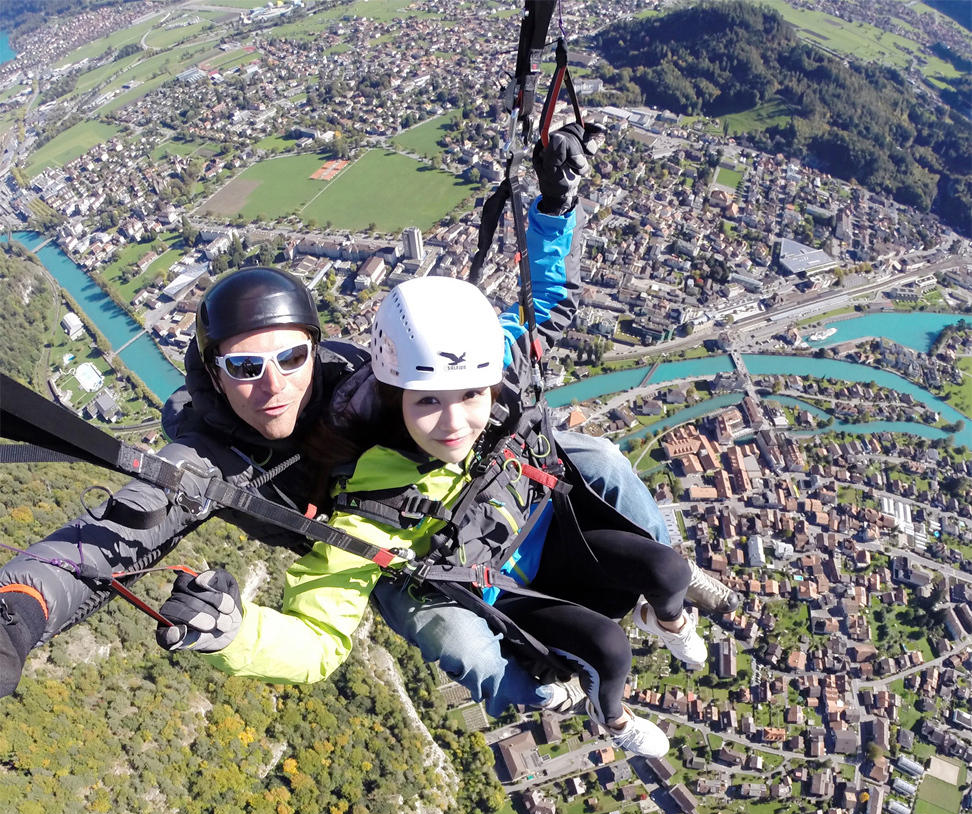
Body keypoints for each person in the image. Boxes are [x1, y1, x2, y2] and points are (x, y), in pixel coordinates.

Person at [0, 125, 735, 707]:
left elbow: (519, 329)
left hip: (460, 491)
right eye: (245, 368)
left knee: (598, 460)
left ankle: (670, 579)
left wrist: (552, 211)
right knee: (470, 651)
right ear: (216, 373)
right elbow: (101, 542)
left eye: (290, 359)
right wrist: (19, 615)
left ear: (317, 352)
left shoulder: (378, 376)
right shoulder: (212, 458)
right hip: (381, 552)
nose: (273, 386)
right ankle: (544, 690)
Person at [157, 275, 718, 758]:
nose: (453, 422)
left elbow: (546, 300)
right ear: (395, 393)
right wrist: (234, 632)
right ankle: (569, 703)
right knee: (470, 643)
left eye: (470, 395)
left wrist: (553, 201)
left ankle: (664, 613)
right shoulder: (371, 500)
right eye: (428, 400)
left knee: (618, 483)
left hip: (527, 522)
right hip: (464, 572)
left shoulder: (482, 368)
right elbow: (319, 637)